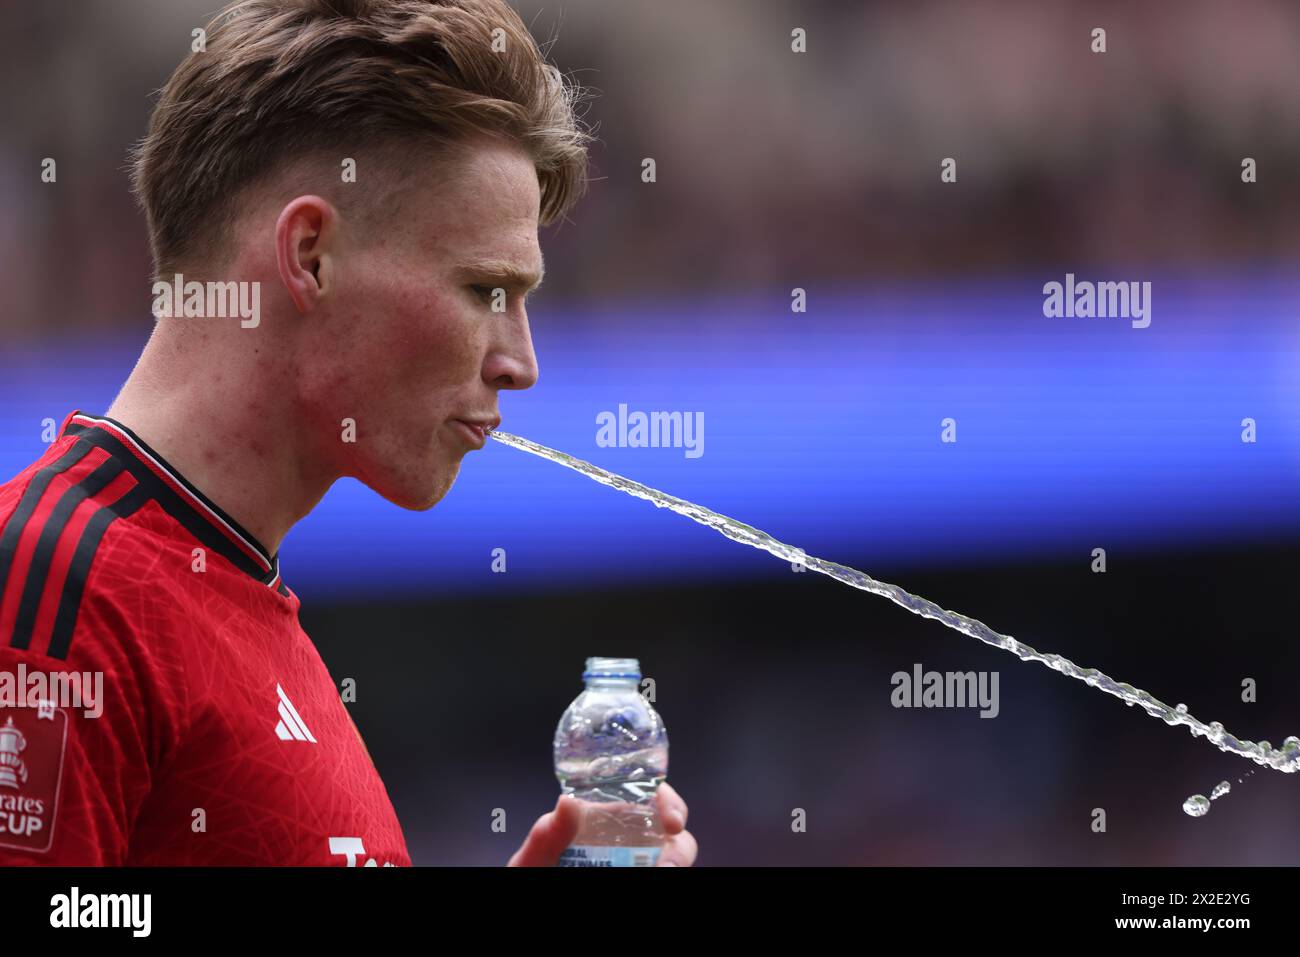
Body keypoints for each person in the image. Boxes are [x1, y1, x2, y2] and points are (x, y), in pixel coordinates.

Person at [0, 0, 696, 867]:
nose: (520, 363)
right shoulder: (52, 586)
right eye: (486, 290)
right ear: (310, 256)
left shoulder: (242, 600)